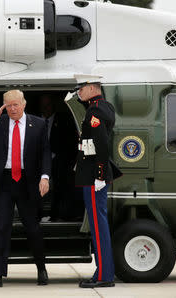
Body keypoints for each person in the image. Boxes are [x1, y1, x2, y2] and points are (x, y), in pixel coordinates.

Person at [0, 90, 51, 287]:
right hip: (4, 182)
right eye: (9, 105)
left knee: (33, 228)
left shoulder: (38, 124)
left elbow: (44, 152)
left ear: (24, 104)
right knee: (2, 227)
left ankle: (41, 269)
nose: (13, 108)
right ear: (4, 107)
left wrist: (45, 177)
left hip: (28, 181)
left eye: (16, 104)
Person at [73, 74, 122, 288]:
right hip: (93, 175)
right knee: (97, 226)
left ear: (93, 88)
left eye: (81, 88)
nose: (79, 92)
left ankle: (104, 276)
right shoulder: (101, 107)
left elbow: (101, 144)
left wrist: (100, 175)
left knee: (99, 227)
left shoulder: (96, 111)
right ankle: (103, 271)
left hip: (94, 176)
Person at [39, 94, 79, 222]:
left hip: (58, 161)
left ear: (53, 106)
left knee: (60, 186)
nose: (45, 109)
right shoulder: (33, 120)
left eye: (48, 105)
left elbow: (69, 144)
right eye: (43, 106)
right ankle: (37, 214)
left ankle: (57, 214)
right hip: (37, 162)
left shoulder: (63, 120)